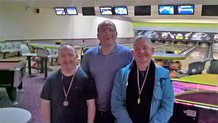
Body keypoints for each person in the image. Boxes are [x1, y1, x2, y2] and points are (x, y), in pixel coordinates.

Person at [111, 36, 174, 123]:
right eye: (137, 49)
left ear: (152, 50)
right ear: (133, 53)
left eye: (145, 48)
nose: (141, 51)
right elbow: (116, 104)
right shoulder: (121, 74)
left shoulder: (164, 76)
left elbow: (167, 107)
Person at [82, 21, 133, 123]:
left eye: (111, 30)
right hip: (95, 109)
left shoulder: (127, 54)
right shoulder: (89, 56)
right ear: (98, 36)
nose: (108, 33)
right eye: (103, 30)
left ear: (116, 34)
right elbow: (83, 82)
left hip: (120, 110)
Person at [40, 44, 97, 123]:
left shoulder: (85, 78)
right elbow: (45, 104)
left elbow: (90, 105)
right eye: (63, 55)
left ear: (76, 57)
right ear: (58, 59)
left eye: (70, 55)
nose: (67, 58)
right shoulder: (50, 80)